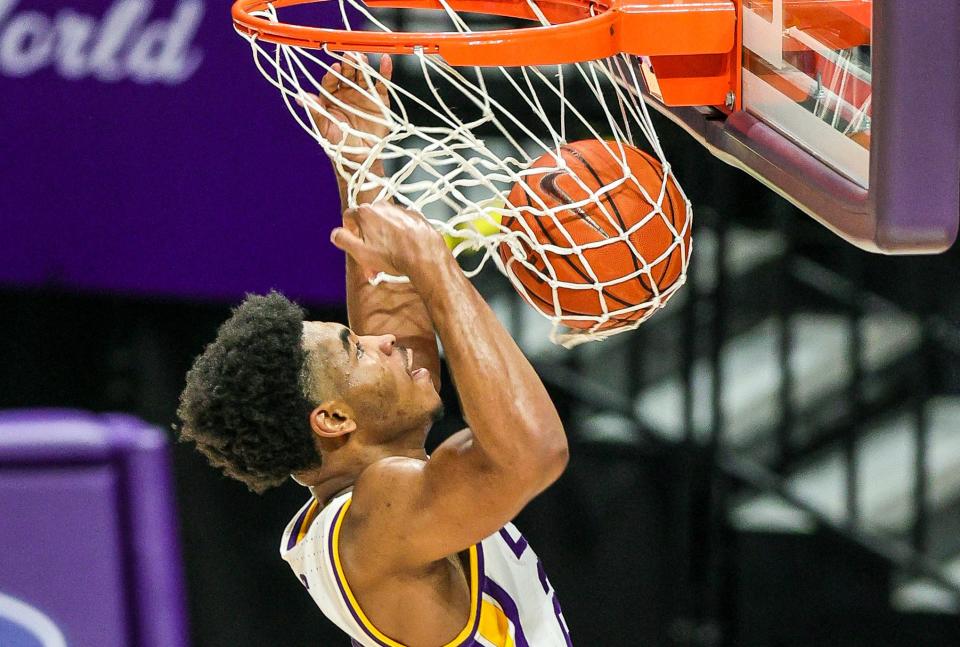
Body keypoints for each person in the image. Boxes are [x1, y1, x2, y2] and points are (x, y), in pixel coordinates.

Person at [177, 53, 572, 646]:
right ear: (333, 418)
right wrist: (434, 265)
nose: (385, 340)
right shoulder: (380, 511)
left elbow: (405, 341)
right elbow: (533, 451)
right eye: (356, 350)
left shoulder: (358, 504)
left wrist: (359, 162)